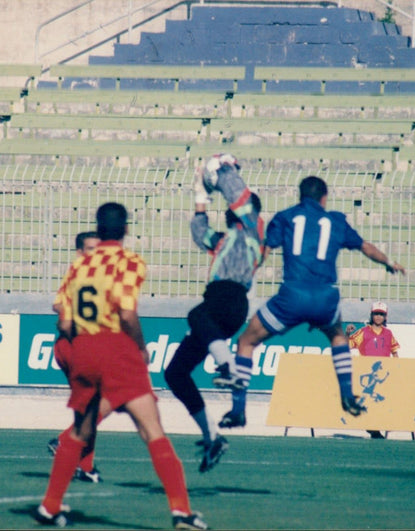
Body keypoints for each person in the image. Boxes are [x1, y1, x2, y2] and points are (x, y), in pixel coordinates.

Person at [34, 203, 207, 530]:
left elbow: (66, 319)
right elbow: (127, 313)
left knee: (80, 430)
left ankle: (50, 505)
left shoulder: (80, 264)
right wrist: (140, 348)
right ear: (125, 229)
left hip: (82, 348)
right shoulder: (130, 261)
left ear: (97, 230)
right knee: (151, 429)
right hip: (115, 348)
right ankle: (182, 512)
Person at [215, 176, 406, 429]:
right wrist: (388, 263)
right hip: (325, 297)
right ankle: (347, 394)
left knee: (246, 341)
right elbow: (365, 247)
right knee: (338, 337)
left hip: (291, 296)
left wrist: (243, 274)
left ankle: (238, 410)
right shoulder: (336, 220)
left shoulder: (285, 217)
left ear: (300, 195)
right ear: (324, 198)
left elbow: (264, 253)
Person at [164, 154, 265, 473]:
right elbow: (199, 233)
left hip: (230, 298)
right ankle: (212, 435)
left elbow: (238, 195)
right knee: (175, 373)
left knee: (195, 316)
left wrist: (224, 169)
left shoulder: (254, 230)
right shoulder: (224, 239)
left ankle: (228, 365)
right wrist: (200, 196)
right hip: (220, 306)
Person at [46, 230, 103, 483]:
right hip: (75, 347)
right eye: (91, 249)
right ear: (80, 252)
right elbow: (60, 310)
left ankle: (85, 467)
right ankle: (64, 442)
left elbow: (57, 304)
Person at [347, 301, 400, 439]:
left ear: (385, 317)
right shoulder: (363, 332)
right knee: (370, 401)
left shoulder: (388, 333)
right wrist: (347, 333)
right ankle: (373, 429)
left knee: (382, 402)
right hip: (367, 373)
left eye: (381, 314)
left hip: (384, 373)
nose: (378, 317)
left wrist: (397, 367)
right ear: (371, 315)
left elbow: (394, 352)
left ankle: (374, 428)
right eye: (376, 314)